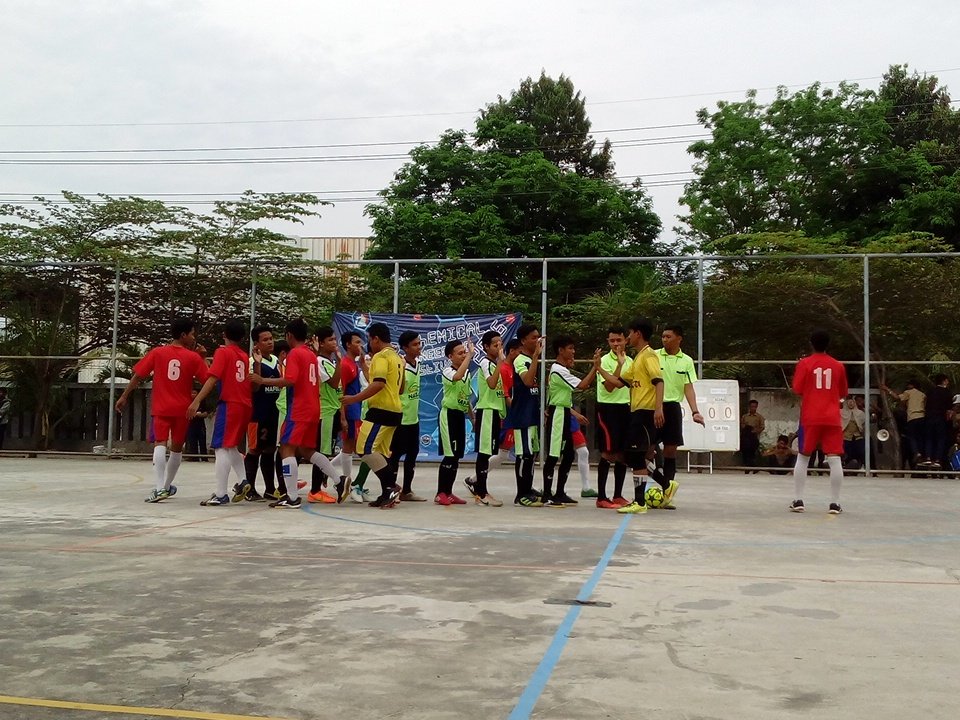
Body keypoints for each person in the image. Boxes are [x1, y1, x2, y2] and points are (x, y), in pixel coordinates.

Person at [251, 318, 345, 509]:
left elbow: (290, 380)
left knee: (286, 448)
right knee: (306, 450)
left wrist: (262, 380)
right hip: (313, 408)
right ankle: (339, 480)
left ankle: (292, 497)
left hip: (298, 409)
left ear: (289, 336)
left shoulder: (295, 354)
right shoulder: (312, 355)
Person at [115, 318, 209, 503]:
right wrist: (203, 358)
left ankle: (159, 488)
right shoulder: (193, 357)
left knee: (160, 443)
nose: (193, 337)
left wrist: (124, 395)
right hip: (183, 408)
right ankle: (165, 486)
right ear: (183, 335)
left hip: (162, 406)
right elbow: (208, 380)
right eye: (191, 333)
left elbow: (138, 376)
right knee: (176, 449)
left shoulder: (158, 352)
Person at [597, 317, 673, 515]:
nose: (627, 337)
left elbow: (659, 382)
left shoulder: (649, 356)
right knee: (632, 456)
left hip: (646, 412)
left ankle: (641, 500)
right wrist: (598, 368)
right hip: (636, 412)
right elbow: (618, 382)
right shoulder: (637, 358)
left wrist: (658, 409)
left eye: (629, 333)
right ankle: (664, 485)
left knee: (636, 456)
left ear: (638, 333)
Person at [189, 319, 253, 506]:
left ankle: (220, 493)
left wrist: (197, 400)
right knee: (231, 446)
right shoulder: (243, 355)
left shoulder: (223, 352)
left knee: (220, 447)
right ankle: (243, 481)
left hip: (230, 404)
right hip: (245, 404)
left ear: (224, 335)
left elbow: (212, 378)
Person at [341, 322, 405, 508]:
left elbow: (378, 384)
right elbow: (399, 387)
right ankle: (388, 490)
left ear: (376, 339)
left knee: (364, 449)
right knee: (380, 453)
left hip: (381, 411)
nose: (368, 343)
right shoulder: (397, 358)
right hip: (395, 410)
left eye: (369, 339)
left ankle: (391, 487)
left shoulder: (380, 356)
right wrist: (364, 367)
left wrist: (354, 398)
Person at [789, 330, 848, 514]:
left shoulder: (805, 363)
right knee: (834, 458)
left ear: (811, 343)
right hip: (832, 417)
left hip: (810, 416)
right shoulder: (838, 365)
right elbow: (843, 392)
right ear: (828, 344)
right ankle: (835, 503)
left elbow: (797, 388)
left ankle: (798, 500)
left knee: (803, 456)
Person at [541, 337, 599, 508]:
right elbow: (583, 385)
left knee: (568, 454)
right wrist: (595, 367)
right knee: (553, 455)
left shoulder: (562, 369)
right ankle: (547, 494)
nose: (573, 352)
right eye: (570, 348)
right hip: (558, 413)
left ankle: (559, 492)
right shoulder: (558, 370)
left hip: (564, 412)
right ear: (560, 350)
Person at [654, 325, 705, 497]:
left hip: (672, 407)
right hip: (653, 406)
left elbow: (688, 387)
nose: (665, 339)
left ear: (679, 338)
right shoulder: (653, 356)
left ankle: (667, 494)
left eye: (668, 336)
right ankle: (661, 480)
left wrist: (695, 411)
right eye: (663, 336)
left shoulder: (687, 361)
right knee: (647, 449)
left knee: (671, 449)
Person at [238, 326, 281, 499]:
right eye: (265, 340)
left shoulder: (276, 361)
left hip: (274, 411)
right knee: (255, 449)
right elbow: (254, 388)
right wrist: (256, 365)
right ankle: (250, 489)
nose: (270, 342)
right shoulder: (251, 362)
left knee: (270, 450)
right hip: (257, 413)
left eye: (271, 338)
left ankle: (270, 488)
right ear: (256, 344)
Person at [465, 330, 506, 506]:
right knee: (484, 453)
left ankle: (478, 486)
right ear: (486, 347)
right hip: (487, 411)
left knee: (490, 452)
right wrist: (500, 363)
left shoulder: (495, 364)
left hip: (495, 411)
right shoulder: (485, 362)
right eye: (495, 344)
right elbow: (491, 384)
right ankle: (481, 492)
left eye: (500, 343)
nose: (499, 347)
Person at [507, 325, 546, 507]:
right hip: (522, 415)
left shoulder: (531, 359)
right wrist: (537, 356)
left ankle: (528, 488)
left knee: (532, 454)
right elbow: (528, 381)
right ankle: (521, 494)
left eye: (538, 337)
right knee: (524, 455)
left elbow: (534, 389)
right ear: (523, 341)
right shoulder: (520, 360)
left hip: (532, 414)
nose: (537, 340)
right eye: (533, 338)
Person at [387, 331, 426, 502]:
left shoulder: (418, 364)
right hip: (400, 419)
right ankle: (391, 489)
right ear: (405, 348)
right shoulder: (401, 366)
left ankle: (407, 491)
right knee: (395, 456)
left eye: (419, 343)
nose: (419, 347)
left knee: (412, 455)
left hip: (413, 419)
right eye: (415, 344)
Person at [595, 327, 631, 509]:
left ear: (626, 340)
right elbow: (610, 387)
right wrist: (619, 364)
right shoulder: (603, 362)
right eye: (612, 341)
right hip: (608, 410)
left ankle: (618, 495)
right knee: (608, 452)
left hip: (626, 408)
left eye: (619, 340)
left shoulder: (631, 361)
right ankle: (601, 497)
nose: (616, 344)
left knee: (622, 453)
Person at [309, 326, 347, 504]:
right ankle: (315, 490)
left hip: (334, 410)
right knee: (321, 451)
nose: (335, 342)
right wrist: (340, 362)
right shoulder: (319, 361)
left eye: (334, 339)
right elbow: (333, 383)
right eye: (330, 340)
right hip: (324, 412)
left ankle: (322, 483)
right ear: (321, 343)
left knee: (326, 451)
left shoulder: (330, 362)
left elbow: (339, 389)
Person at [435, 339, 474, 505]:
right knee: (449, 456)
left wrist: (472, 416)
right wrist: (470, 356)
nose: (463, 355)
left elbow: (466, 396)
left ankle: (449, 492)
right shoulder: (448, 372)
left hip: (460, 416)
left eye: (464, 352)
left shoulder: (467, 373)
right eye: (460, 353)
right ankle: (440, 493)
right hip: (448, 415)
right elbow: (457, 377)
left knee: (457, 456)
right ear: (450, 356)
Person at [881, 380, 925, 468]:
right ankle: (921, 454)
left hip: (913, 417)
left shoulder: (909, 392)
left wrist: (887, 389)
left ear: (911, 385)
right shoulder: (923, 394)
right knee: (919, 437)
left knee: (912, 436)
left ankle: (917, 453)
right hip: (922, 417)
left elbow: (897, 397)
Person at [922, 374, 952, 469]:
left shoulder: (930, 391)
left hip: (929, 417)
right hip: (940, 418)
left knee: (929, 438)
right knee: (940, 438)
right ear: (944, 381)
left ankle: (928, 457)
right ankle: (938, 459)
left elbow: (925, 403)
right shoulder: (947, 392)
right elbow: (949, 408)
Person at [840, 397, 866, 469]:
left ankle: (861, 466)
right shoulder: (841, 412)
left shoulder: (860, 413)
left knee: (861, 452)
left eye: (852, 402)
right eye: (849, 402)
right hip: (845, 437)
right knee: (846, 453)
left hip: (857, 436)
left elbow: (864, 424)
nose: (851, 403)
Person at [184, 390, 210, 461]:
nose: (193, 395)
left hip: (200, 425)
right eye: (192, 393)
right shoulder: (188, 402)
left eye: (195, 393)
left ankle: (204, 458)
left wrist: (199, 414)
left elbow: (206, 413)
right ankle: (193, 458)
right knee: (192, 442)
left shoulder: (202, 402)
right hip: (191, 425)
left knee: (202, 442)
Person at [740, 400, 765, 472]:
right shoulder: (745, 416)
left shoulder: (759, 417)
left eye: (754, 407)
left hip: (754, 438)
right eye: (751, 406)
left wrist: (754, 431)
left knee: (752, 453)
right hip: (745, 437)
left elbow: (762, 427)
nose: (753, 408)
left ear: (756, 407)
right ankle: (747, 467)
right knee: (745, 452)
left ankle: (753, 467)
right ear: (749, 407)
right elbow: (742, 424)